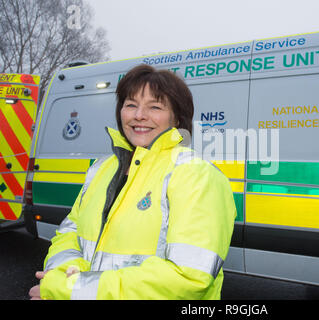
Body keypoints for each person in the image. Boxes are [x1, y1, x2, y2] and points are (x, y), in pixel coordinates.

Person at [29, 64, 236, 300]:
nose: (139, 115)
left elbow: (187, 277)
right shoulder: (102, 168)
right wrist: (66, 277)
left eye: (155, 107)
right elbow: (70, 232)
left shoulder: (195, 174)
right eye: (131, 105)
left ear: (177, 118)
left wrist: (70, 290)